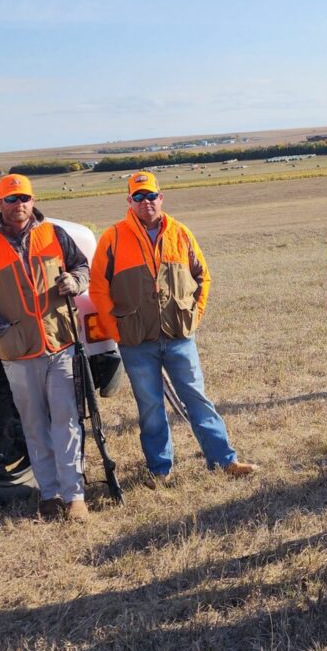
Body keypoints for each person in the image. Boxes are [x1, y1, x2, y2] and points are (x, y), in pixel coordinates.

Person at [88, 172, 257, 482]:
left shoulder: (180, 233)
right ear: (129, 201)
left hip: (179, 336)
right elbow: (97, 287)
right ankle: (160, 470)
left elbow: (203, 277)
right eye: (138, 197)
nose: (146, 202)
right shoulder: (112, 238)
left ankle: (224, 461)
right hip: (136, 340)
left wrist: (195, 314)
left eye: (151, 196)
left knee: (197, 399)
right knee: (151, 408)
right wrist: (116, 329)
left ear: (161, 198)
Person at [0, 173, 92, 520]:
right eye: (11, 200)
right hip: (18, 353)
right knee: (33, 424)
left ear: (33, 200)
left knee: (67, 421)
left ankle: (75, 497)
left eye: (24, 199)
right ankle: (49, 495)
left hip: (59, 343)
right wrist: (0, 330)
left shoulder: (55, 234)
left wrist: (74, 281)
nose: (18, 206)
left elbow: (82, 267)